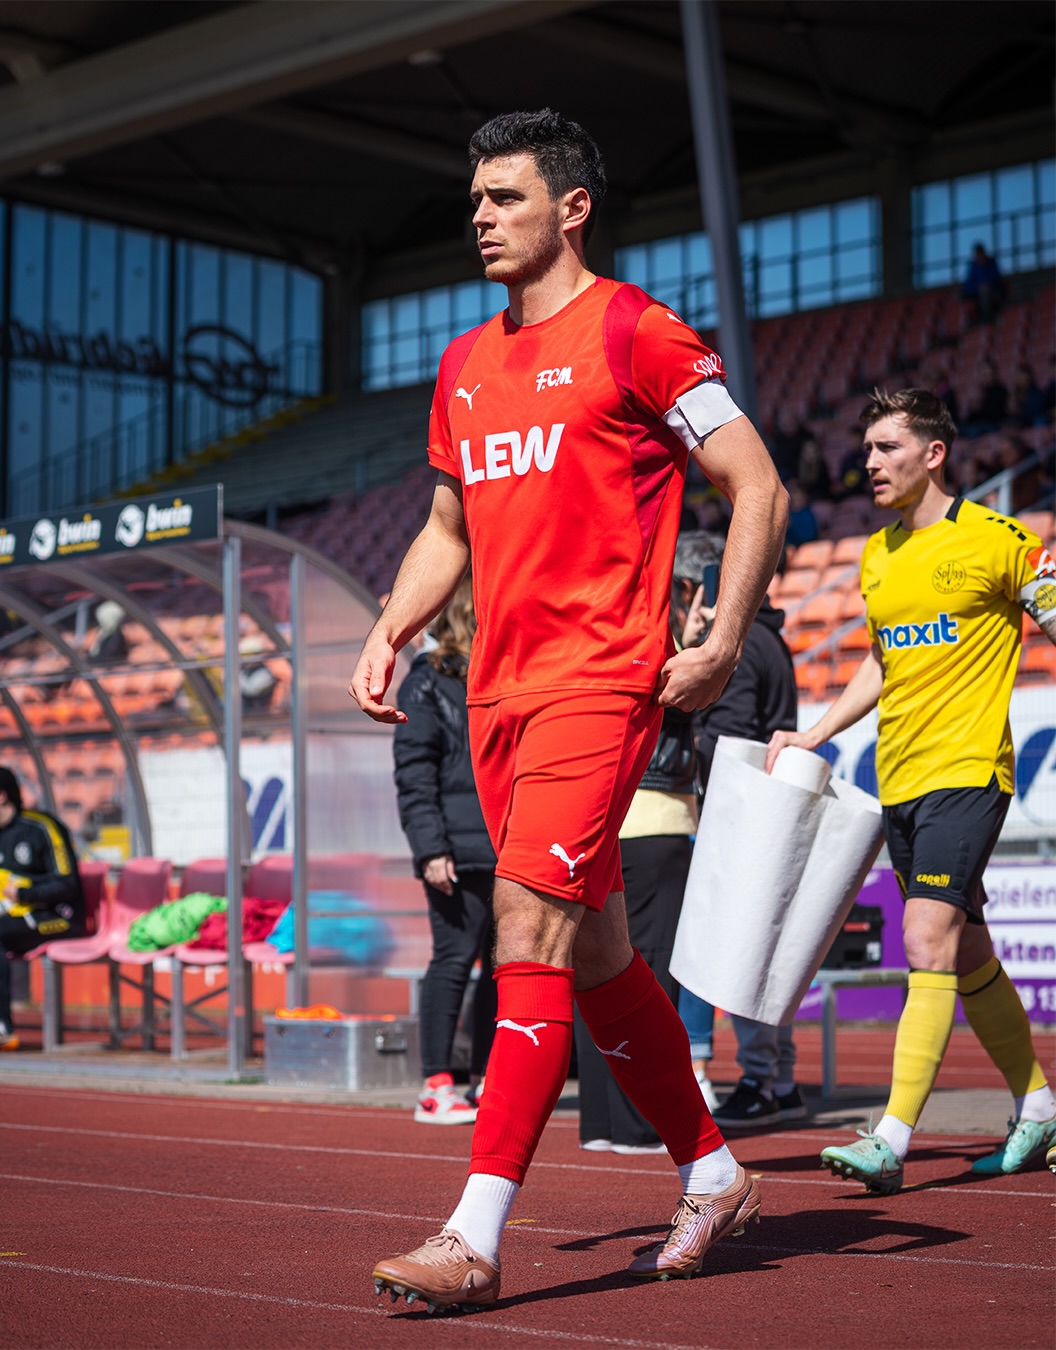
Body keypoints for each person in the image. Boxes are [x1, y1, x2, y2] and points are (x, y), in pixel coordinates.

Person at [349, 108, 788, 1309]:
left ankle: (473, 1235)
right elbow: (447, 530)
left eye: (506, 197)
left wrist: (722, 637)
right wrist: (390, 628)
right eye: (475, 200)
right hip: (494, 690)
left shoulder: (638, 330)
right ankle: (714, 1171)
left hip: (598, 682)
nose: (481, 218)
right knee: (596, 951)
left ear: (572, 207)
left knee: (528, 933)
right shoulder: (463, 364)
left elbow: (755, 484)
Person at [767, 387, 1056, 1192]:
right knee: (967, 951)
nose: (869, 462)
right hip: (899, 779)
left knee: (925, 942)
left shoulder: (1003, 540)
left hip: (969, 772)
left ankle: (891, 1136)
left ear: (933, 454)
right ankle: (1039, 1109)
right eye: (866, 449)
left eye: (887, 448)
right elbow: (880, 659)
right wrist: (816, 732)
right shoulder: (876, 554)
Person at [574, 536, 710, 1156]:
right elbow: (685, 694)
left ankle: (604, 1122)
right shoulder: (652, 627)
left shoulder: (593, 622)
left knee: (599, 966)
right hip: (654, 818)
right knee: (645, 970)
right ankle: (636, 1123)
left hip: (605, 813)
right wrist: (701, 642)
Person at [675, 532, 806, 1130]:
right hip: (766, 806)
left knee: (726, 950)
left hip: (739, 810)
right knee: (760, 948)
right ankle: (779, 1079)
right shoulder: (771, 637)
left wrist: (697, 647)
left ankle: (748, 1078)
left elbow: (727, 736)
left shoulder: (741, 643)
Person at [392, 576, 497, 1126]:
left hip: (503, 844)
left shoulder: (495, 676)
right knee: (453, 960)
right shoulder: (425, 681)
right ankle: (435, 1087)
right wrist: (430, 849)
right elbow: (414, 775)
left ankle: (487, 1080)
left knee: (501, 968)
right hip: (456, 849)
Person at [0, 765, 83, 1050]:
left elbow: (68, 883)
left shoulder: (42, 828)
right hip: (14, 918)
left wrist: (24, 893)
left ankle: (0, 1026)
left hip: (60, 917)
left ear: (0, 796)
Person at [961, 242, 1006, 325]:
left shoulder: (991, 264)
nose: (979, 256)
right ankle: (968, 321)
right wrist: (976, 287)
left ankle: (987, 317)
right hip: (976, 293)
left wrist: (984, 285)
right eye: (978, 254)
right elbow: (968, 284)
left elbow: (996, 280)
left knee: (984, 289)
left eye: (980, 253)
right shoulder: (974, 266)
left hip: (993, 292)